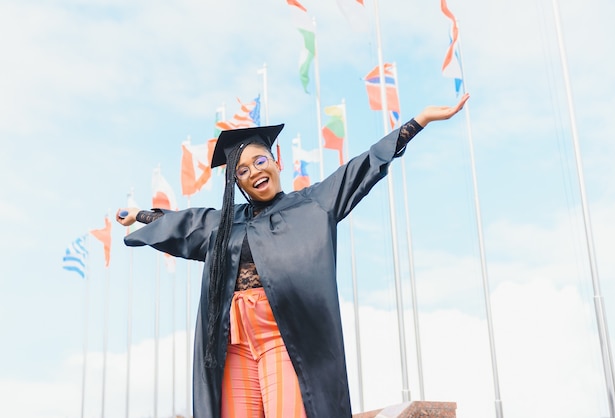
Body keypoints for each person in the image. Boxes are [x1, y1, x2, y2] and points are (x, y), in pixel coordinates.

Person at [116, 93, 469, 418]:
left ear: (276, 160)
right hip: (232, 343)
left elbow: (362, 168)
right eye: (242, 170)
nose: (254, 172)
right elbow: (180, 224)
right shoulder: (223, 223)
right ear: (237, 183)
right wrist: (139, 216)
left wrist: (417, 122)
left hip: (282, 337)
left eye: (259, 161)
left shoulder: (313, 204)